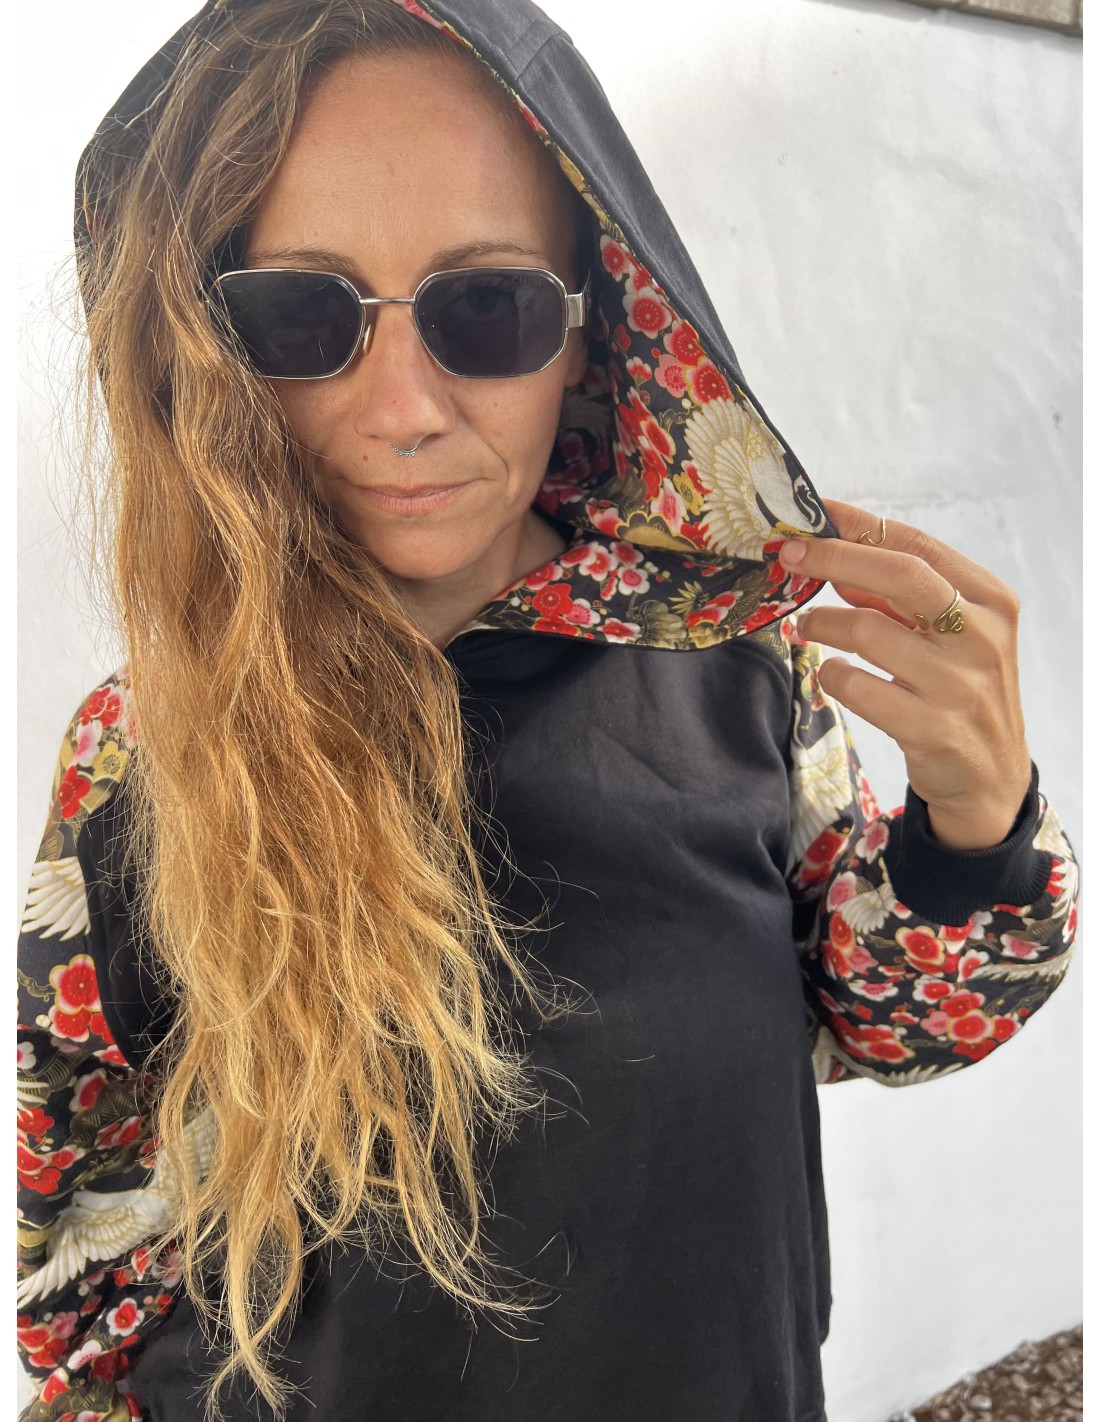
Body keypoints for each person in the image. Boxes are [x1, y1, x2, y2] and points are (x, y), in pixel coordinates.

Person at [15, 1, 1079, 1419]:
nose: (404, 410)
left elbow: (888, 1018)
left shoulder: (735, 661)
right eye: (301, 316)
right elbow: (84, 1281)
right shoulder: (148, 747)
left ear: (592, 330)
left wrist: (976, 824)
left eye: (488, 310)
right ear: (215, 346)